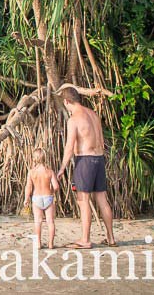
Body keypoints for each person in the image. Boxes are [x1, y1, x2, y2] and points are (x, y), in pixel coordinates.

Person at [57, 87, 117, 248]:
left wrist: (62, 167)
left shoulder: (74, 119)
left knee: (83, 200)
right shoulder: (94, 115)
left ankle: (85, 239)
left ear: (67, 102)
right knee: (102, 199)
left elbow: (69, 146)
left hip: (85, 160)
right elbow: (102, 141)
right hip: (99, 159)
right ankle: (111, 238)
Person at [24, 147, 58, 249]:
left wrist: (26, 199)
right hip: (48, 197)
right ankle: (51, 244)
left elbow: (28, 187)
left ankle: (38, 243)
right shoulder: (50, 172)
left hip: (36, 198)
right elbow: (56, 186)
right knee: (50, 221)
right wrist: (52, 192)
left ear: (34, 159)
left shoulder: (31, 172)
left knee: (37, 221)